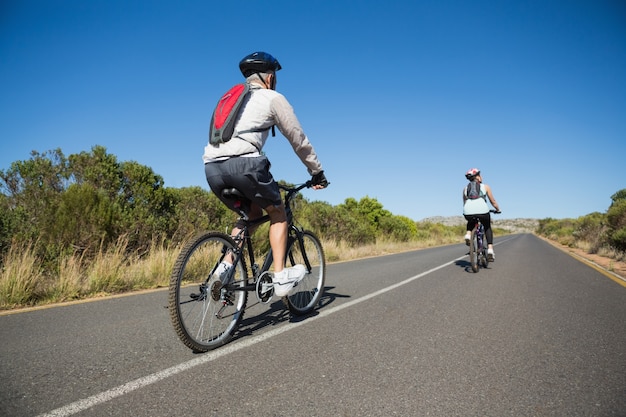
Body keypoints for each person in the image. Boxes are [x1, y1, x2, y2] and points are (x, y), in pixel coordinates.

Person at [203, 51, 328, 297]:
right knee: (278, 213)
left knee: (250, 213)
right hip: (246, 166)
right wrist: (317, 171)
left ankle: (225, 268)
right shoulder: (272, 97)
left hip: (212, 169)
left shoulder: (229, 100)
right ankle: (281, 277)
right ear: (269, 77)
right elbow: (298, 139)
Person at [462, 168, 500, 261]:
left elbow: (464, 202)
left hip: (468, 210)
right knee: (487, 227)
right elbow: (493, 201)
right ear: (478, 177)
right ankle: (490, 249)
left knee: (471, 220)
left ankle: (468, 234)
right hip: (483, 211)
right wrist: (497, 209)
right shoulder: (485, 187)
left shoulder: (465, 188)